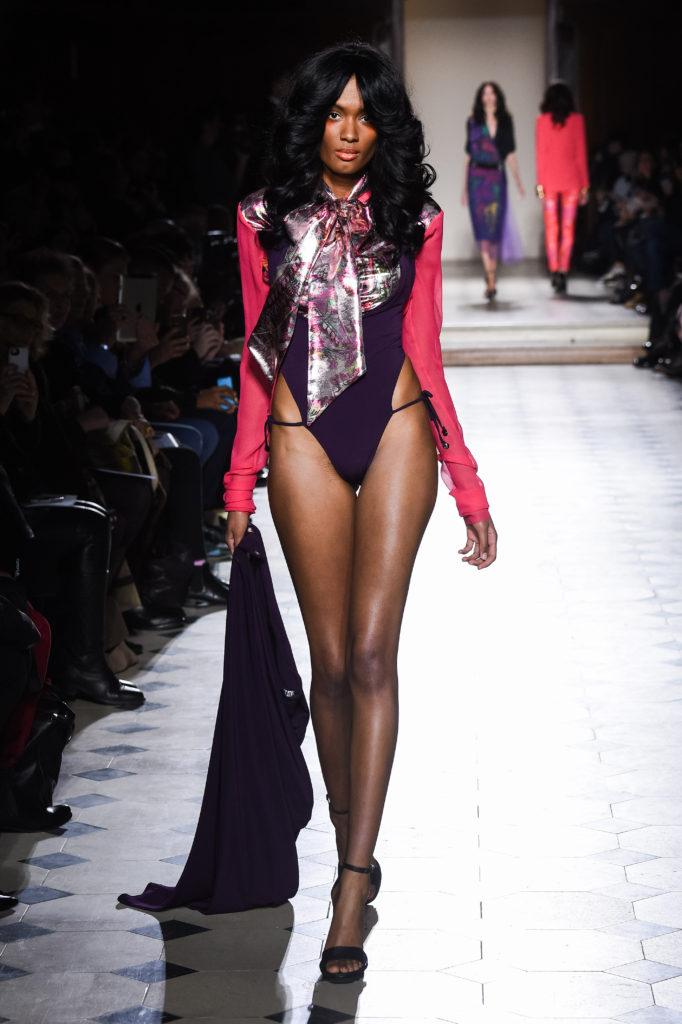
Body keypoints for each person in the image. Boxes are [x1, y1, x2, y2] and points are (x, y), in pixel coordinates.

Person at [223, 43, 497, 983]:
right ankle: (354, 837)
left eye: (366, 115)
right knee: (330, 663)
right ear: (312, 121)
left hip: (396, 428)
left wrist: (468, 482)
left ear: (385, 125)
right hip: (301, 430)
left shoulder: (414, 220)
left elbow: (425, 344)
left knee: (374, 653)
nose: (349, 132)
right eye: (334, 115)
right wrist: (236, 481)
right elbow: (258, 354)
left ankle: (349, 883)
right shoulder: (262, 220)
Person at [461, 81, 525, 300]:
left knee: (494, 229)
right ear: (481, 97)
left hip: (497, 179)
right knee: (482, 230)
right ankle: (490, 277)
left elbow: (510, 153)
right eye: (485, 93)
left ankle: (491, 273)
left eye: (492, 92)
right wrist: (463, 189)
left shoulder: (506, 121)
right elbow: (468, 156)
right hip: (477, 180)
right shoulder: (473, 122)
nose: (488, 97)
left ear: (497, 96)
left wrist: (519, 182)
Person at [535, 82, 589, 294]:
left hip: (549, 181)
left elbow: (541, 156)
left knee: (552, 229)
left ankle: (555, 271)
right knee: (567, 229)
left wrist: (540, 187)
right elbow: (580, 155)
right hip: (572, 181)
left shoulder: (542, 121)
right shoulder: (577, 120)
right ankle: (563, 270)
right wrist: (585, 187)